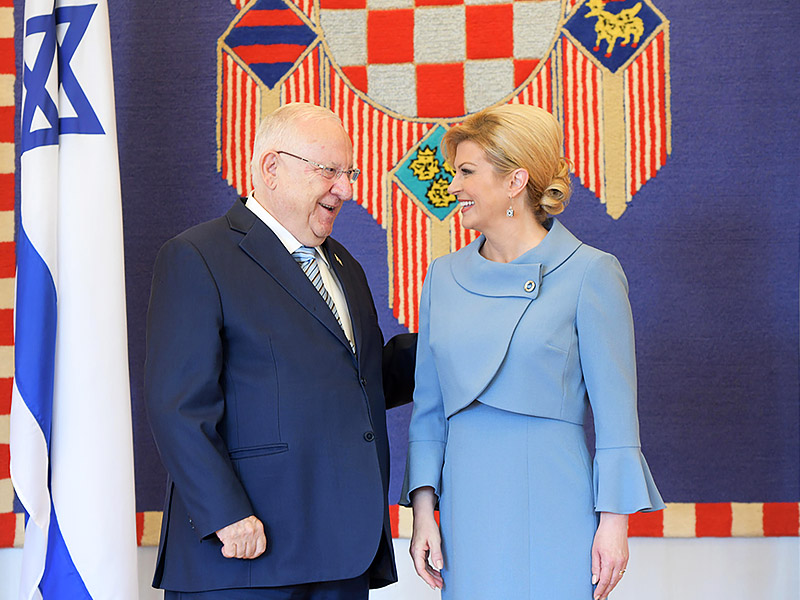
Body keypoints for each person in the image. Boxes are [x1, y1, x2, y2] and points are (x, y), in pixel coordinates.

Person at [145, 102, 415, 599]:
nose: (346, 189)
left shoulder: (344, 265)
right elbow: (177, 405)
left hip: (340, 556)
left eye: (349, 172)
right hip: (244, 557)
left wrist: (462, 340)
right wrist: (226, 515)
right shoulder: (197, 256)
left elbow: (364, 378)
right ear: (271, 167)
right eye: (329, 171)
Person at [400, 104, 665, 600]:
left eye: (466, 171)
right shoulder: (442, 276)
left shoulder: (591, 272)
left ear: (515, 180)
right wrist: (422, 512)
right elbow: (429, 409)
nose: (452, 186)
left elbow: (616, 417)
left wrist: (614, 523)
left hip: (555, 496)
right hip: (467, 501)